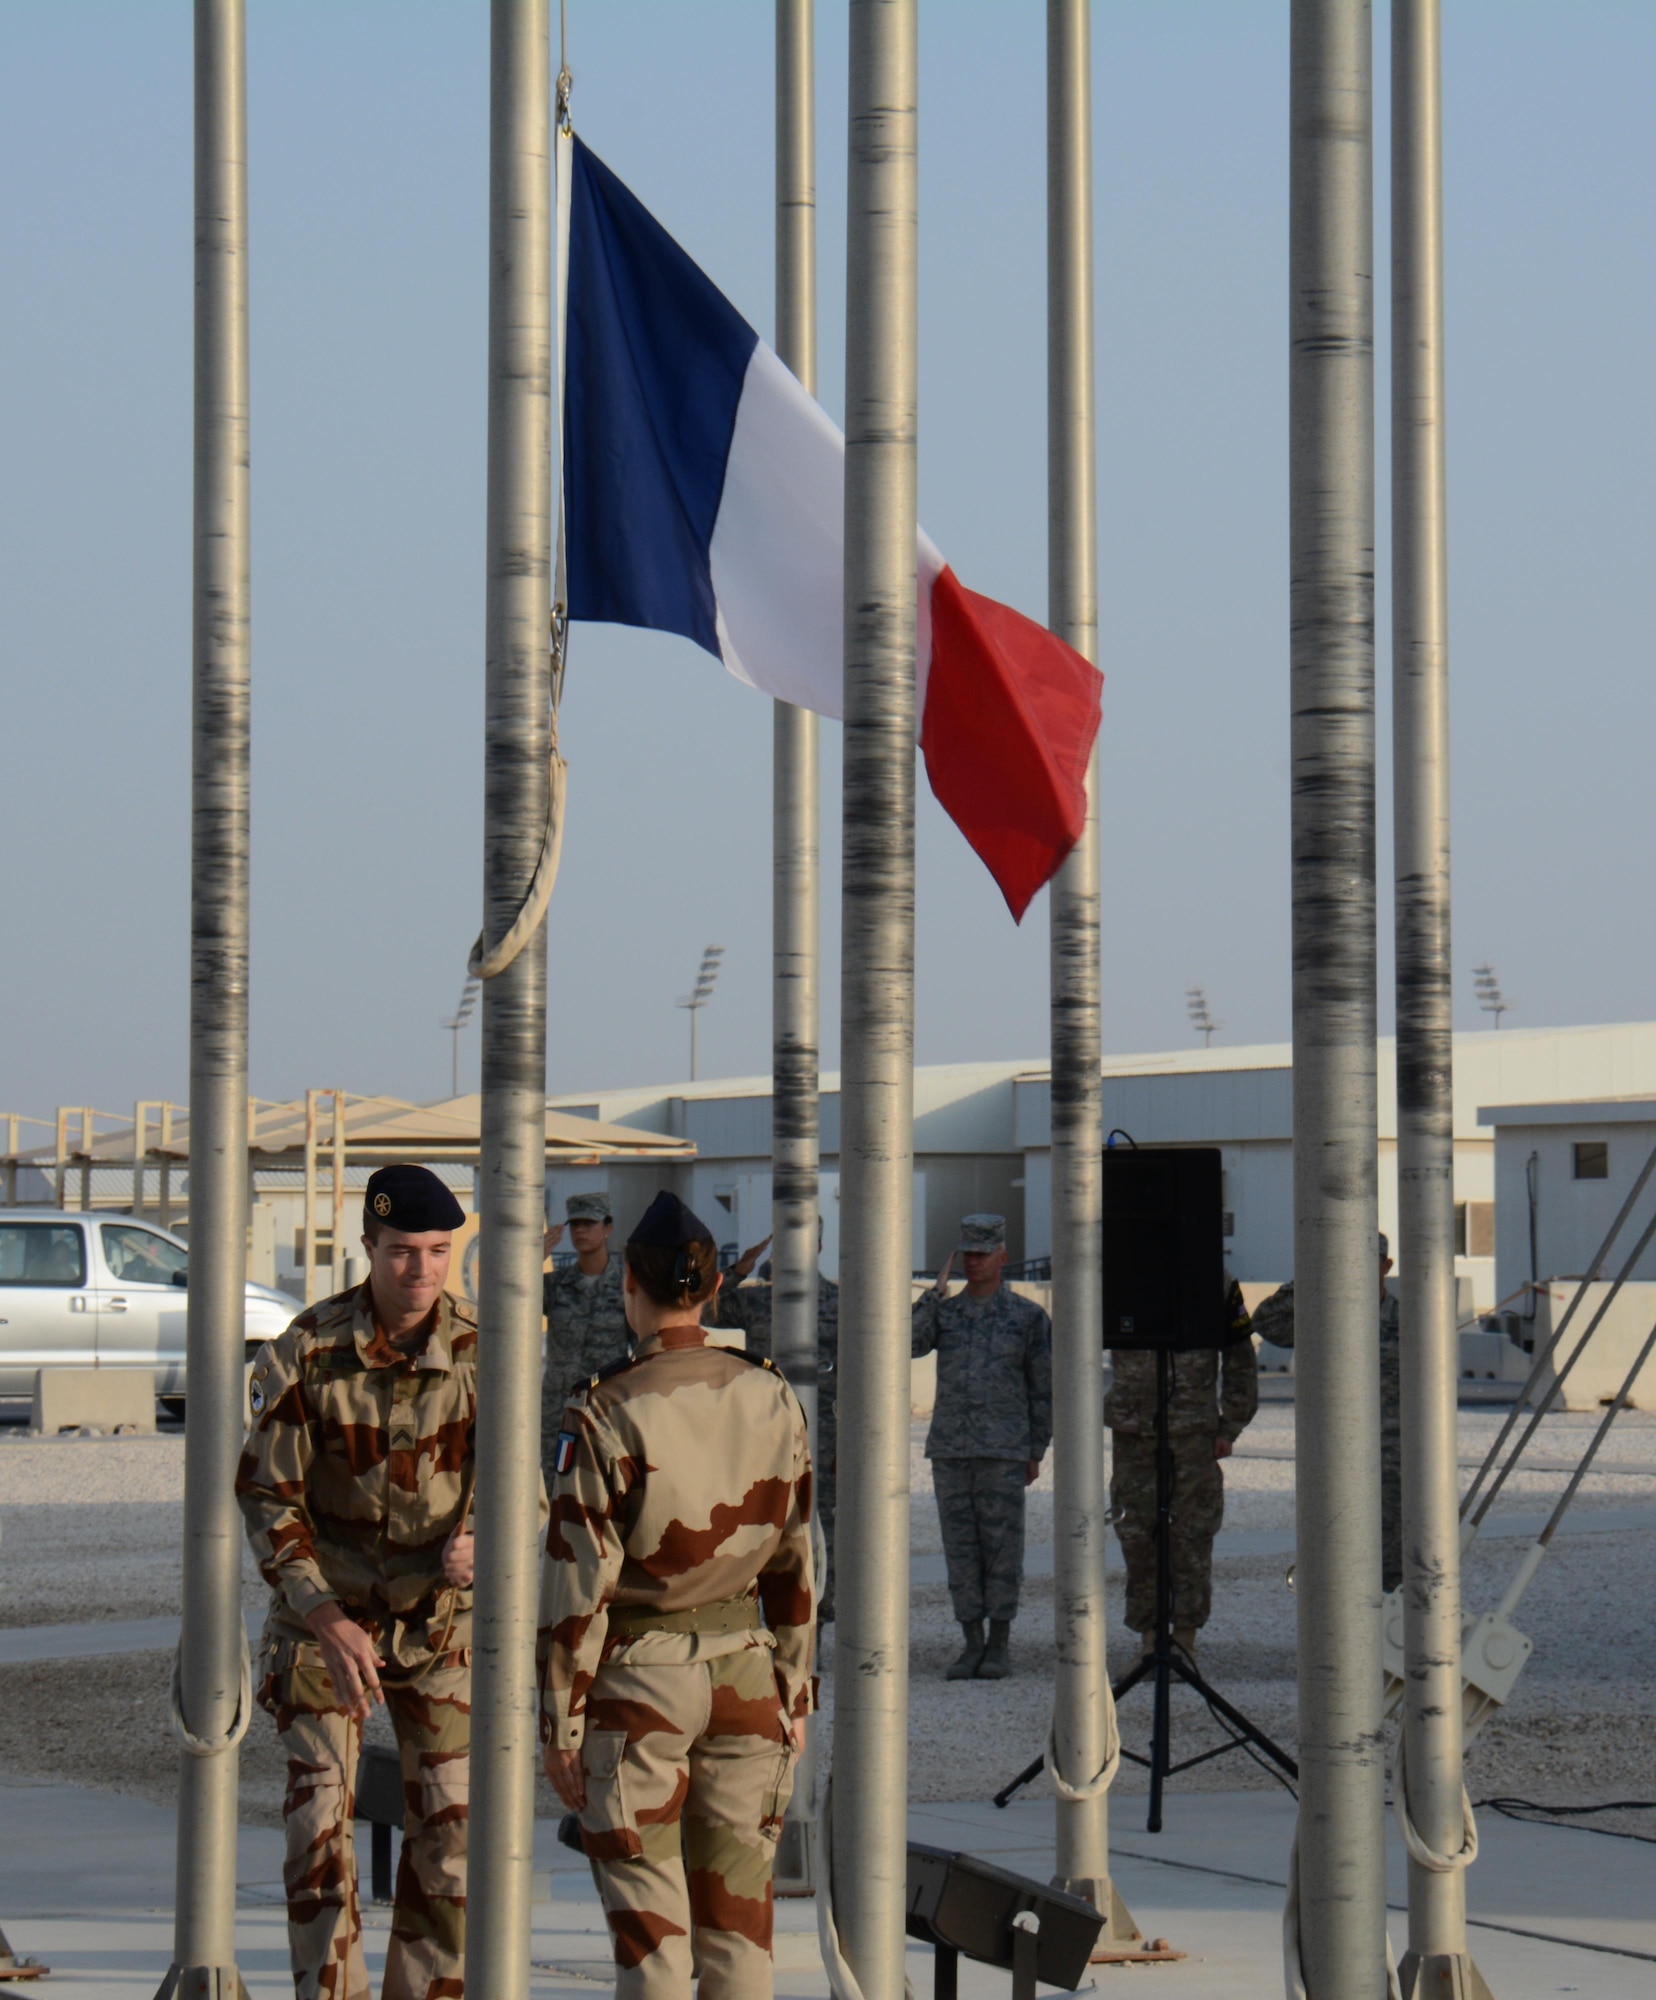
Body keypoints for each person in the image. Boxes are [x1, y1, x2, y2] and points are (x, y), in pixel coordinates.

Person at [239, 1162, 546, 2000]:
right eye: (404, 1252)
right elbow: (268, 1496)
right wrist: (323, 1613)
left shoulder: (491, 1351)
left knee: (451, 1837)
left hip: (443, 1626)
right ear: (368, 1247)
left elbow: (525, 1485)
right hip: (324, 1626)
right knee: (314, 1835)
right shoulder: (309, 1349)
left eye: (440, 1252)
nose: (422, 1271)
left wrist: (487, 1537)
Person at [538, 1190, 814, 2000]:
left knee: (652, 1943)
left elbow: (577, 1578)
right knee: (740, 1935)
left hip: (640, 1678)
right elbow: (796, 1560)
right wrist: (795, 1687)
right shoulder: (769, 1393)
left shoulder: (605, 1406)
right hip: (747, 1672)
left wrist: (561, 1716)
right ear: (716, 1287)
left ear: (630, 1283)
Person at [911, 1213, 1052, 1682]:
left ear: (1002, 1258)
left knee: (1002, 1547)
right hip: (952, 1449)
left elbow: (1042, 1388)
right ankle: (970, 1640)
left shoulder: (1027, 1318)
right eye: (966, 1253)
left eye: (981, 1254)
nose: (973, 1262)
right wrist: (933, 1295)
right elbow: (908, 1343)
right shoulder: (946, 1314)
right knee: (961, 1549)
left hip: (1003, 1449)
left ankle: (999, 1642)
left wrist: (1036, 1448)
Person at [1106, 1272, 1258, 1659]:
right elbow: (1076, 1339)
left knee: (1190, 1536)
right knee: (1137, 1535)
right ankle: (1150, 1642)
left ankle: (1184, 1640)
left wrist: (1232, 1423)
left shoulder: (1214, 1282)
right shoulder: (1119, 1276)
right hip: (1134, 1430)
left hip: (1194, 1434)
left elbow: (1239, 1355)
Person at [1252, 1232, 1401, 1590]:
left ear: (1385, 1265)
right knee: (1337, 1553)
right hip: (1335, 1457)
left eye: (1369, 1262)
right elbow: (1266, 1323)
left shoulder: (1407, 1320)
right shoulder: (1321, 1314)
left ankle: (1388, 1636)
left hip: (1394, 1458)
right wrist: (1312, 1276)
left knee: (1394, 1560)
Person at [713, 1220, 841, 1624]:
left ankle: (821, 1603)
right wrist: (736, 1270)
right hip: (763, 1432)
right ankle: (765, 1602)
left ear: (818, 1245)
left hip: (822, 1432)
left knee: (822, 1519)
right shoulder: (756, 1302)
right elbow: (695, 1303)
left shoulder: (840, 1302)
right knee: (761, 1516)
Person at [542, 1190, 629, 1489]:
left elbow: (643, 1346)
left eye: (588, 1223)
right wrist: (531, 1260)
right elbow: (505, 1304)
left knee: (605, 1486)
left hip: (605, 1407)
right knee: (553, 1487)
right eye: (574, 1224)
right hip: (558, 1408)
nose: (579, 1231)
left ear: (607, 1228)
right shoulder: (556, 1285)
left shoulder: (627, 1285)